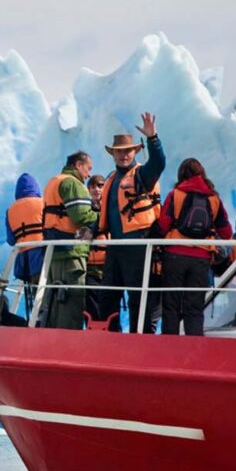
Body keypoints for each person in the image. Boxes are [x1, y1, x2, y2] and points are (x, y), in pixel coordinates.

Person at [97, 112, 165, 333]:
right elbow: (104, 215)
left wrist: (153, 138)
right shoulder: (112, 179)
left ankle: (140, 339)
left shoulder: (141, 175)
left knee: (138, 296)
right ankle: (110, 336)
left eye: (127, 151)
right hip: (116, 247)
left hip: (138, 244)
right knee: (107, 295)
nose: (123, 155)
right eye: (119, 152)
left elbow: (158, 163)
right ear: (113, 155)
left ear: (135, 152)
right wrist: (91, 231)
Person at [157, 158, 232, 336]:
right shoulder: (213, 198)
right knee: (194, 308)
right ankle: (194, 349)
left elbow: (163, 225)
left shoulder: (176, 194)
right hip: (201, 258)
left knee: (171, 306)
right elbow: (226, 231)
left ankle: (169, 348)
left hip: (175, 254)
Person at [42, 151, 98, 329]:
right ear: (78, 165)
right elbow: (82, 216)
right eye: (88, 169)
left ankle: (51, 344)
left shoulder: (53, 181)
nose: (88, 174)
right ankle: (68, 345)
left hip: (54, 251)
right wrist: (102, 217)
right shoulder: (72, 183)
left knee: (55, 303)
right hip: (71, 252)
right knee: (72, 305)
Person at [5, 173, 44, 318]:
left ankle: (37, 321)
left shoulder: (11, 210)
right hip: (42, 256)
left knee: (35, 296)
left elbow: (11, 240)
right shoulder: (42, 203)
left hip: (24, 261)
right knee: (47, 294)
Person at [85, 175, 108, 323]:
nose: (96, 189)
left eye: (100, 186)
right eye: (93, 186)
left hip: (108, 266)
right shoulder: (85, 212)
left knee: (110, 305)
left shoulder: (112, 209)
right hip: (91, 267)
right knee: (91, 308)